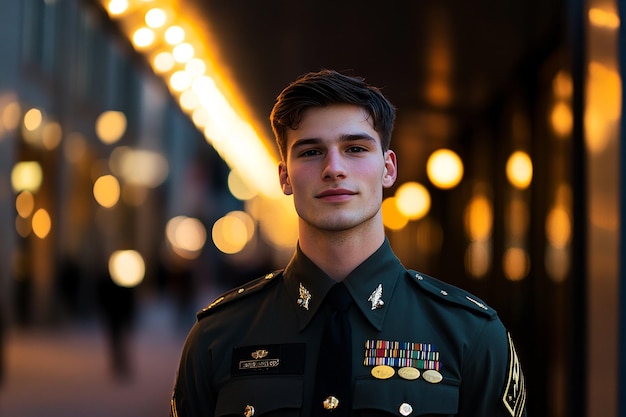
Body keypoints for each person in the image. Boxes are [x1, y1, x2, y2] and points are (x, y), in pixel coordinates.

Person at [170, 69, 527, 417]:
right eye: (310, 152)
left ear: (388, 169)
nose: (334, 168)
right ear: (284, 177)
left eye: (355, 148)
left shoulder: (471, 335)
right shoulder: (217, 337)